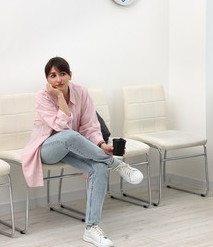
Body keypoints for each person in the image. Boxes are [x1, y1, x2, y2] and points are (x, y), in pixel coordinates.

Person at [22, 56, 144, 247]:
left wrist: (102, 145)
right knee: (69, 136)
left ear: (70, 75)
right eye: (52, 75)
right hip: (46, 149)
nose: (58, 79)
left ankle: (91, 228)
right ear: (47, 80)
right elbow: (62, 128)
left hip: (75, 147)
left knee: (99, 168)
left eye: (62, 74)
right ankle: (116, 163)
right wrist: (60, 97)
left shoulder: (81, 92)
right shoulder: (43, 96)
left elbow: (89, 125)